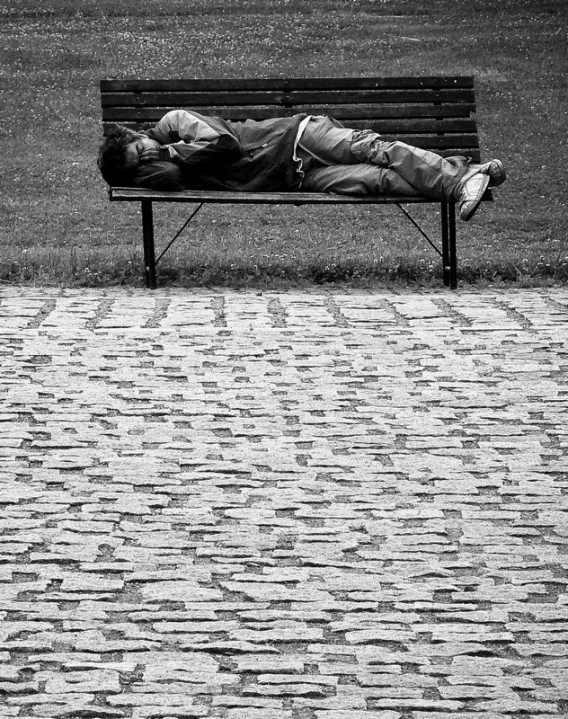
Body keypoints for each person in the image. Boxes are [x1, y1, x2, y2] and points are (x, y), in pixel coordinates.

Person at [98, 109, 506, 221]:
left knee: (376, 151)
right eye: (141, 165)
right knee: (376, 180)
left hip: (298, 136)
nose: (149, 157)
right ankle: (473, 174)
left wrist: (169, 152)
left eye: (142, 150)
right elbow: (168, 174)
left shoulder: (173, 125)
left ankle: (462, 179)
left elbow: (224, 143)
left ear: (137, 135)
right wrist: (158, 167)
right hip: (298, 177)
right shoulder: (167, 172)